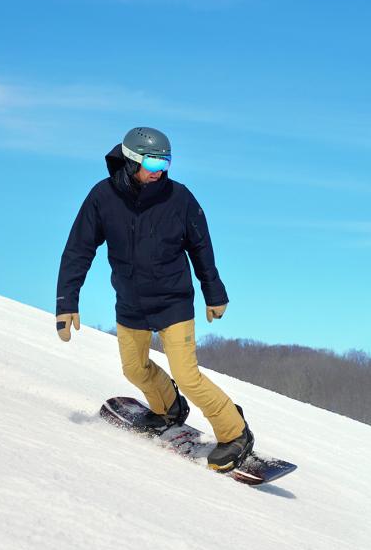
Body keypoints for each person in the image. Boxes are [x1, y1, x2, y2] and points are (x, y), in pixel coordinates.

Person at [55, 127, 255, 471]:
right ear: (131, 160)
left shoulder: (180, 198)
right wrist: (66, 301)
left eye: (166, 161)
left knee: (188, 375)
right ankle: (168, 408)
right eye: (152, 161)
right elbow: (79, 249)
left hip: (173, 302)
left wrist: (213, 291)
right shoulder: (102, 198)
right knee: (134, 368)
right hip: (131, 302)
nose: (160, 169)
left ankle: (235, 432)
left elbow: (201, 247)